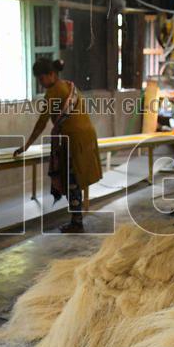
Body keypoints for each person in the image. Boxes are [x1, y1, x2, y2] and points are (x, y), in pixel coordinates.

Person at [14, 58, 102, 233]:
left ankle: (77, 223)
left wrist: (27, 145)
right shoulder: (69, 86)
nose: (40, 83)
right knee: (76, 178)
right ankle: (77, 220)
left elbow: (42, 122)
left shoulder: (53, 92)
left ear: (51, 75)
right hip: (86, 136)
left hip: (73, 139)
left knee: (72, 180)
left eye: (41, 79)